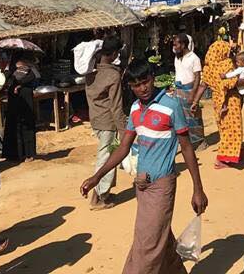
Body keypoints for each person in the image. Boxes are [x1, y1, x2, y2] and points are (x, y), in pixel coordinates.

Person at [80, 60, 208, 273]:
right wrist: (97, 176)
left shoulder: (171, 105)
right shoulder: (135, 109)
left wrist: (198, 189)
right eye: (136, 84)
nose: (142, 88)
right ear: (130, 86)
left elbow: (186, 148)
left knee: (147, 246)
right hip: (141, 185)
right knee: (159, 238)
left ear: (152, 78)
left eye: (145, 81)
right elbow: (123, 148)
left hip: (162, 186)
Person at [84, 36, 126, 210]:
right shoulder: (113, 75)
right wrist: (123, 130)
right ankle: (98, 196)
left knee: (106, 154)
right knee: (107, 158)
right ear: (115, 53)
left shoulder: (90, 72)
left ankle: (104, 192)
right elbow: (116, 106)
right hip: (108, 121)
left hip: (95, 118)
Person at [201, 41, 244, 168]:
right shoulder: (227, 64)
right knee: (233, 128)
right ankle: (222, 159)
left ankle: (235, 153)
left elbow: (203, 85)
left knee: (224, 128)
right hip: (230, 99)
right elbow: (232, 82)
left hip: (218, 101)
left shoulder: (207, 69)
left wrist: (194, 101)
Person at [171, 33, 206, 150]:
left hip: (190, 89)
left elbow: (197, 77)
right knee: (180, 118)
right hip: (178, 90)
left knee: (194, 116)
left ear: (183, 44)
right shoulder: (177, 57)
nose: (174, 47)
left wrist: (193, 94)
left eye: (176, 44)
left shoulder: (194, 58)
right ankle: (186, 141)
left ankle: (200, 140)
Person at [3, 55, 38, 163]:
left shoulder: (30, 69)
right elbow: (4, 80)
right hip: (14, 100)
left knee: (26, 124)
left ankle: (28, 154)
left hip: (26, 99)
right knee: (13, 125)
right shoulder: (10, 70)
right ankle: (15, 155)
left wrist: (20, 84)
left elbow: (33, 77)